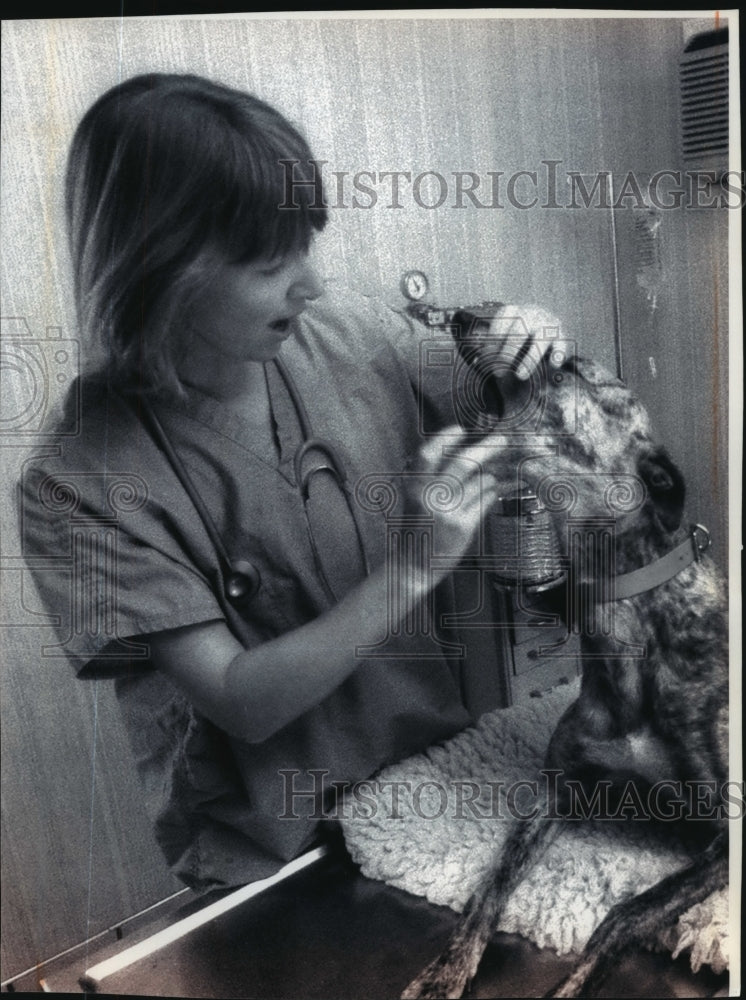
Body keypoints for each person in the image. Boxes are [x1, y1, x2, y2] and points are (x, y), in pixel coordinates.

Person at [20, 72, 565, 892]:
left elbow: (502, 400)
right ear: (163, 270)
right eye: (272, 262)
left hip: (434, 789)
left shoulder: (348, 333)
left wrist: (529, 347)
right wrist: (415, 567)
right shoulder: (78, 482)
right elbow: (240, 700)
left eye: (304, 246)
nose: (309, 284)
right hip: (273, 860)